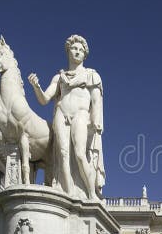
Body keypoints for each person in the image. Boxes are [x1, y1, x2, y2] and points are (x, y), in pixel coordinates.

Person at [29, 35, 105, 200]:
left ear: (85, 55)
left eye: (80, 50)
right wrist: (37, 87)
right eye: (74, 49)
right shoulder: (59, 78)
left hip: (81, 114)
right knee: (62, 154)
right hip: (61, 114)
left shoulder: (92, 75)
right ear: (68, 51)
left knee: (79, 153)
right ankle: (69, 193)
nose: (77, 52)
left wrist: (95, 122)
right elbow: (44, 100)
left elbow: (96, 101)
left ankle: (91, 194)